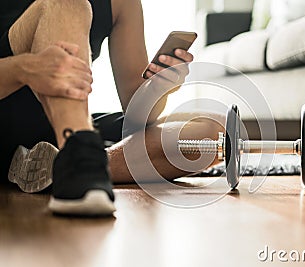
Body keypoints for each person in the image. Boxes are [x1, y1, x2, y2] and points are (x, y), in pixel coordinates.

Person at [0, 0, 223, 216]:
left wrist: (158, 87)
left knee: (214, 133)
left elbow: (138, 114)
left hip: (56, 135)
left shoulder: (123, 3)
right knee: (67, 4)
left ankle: (65, 165)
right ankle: (79, 164)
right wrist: (23, 68)